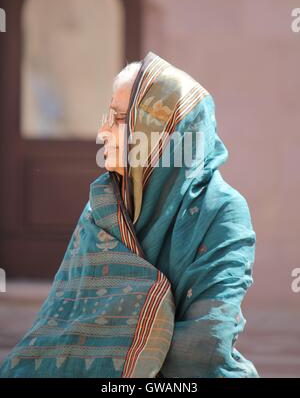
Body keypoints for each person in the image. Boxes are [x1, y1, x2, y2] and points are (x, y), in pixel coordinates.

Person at [0, 51, 259, 378]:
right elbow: (62, 325)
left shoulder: (221, 210)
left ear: (158, 131)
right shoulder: (104, 207)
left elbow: (205, 346)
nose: (102, 133)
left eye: (118, 118)